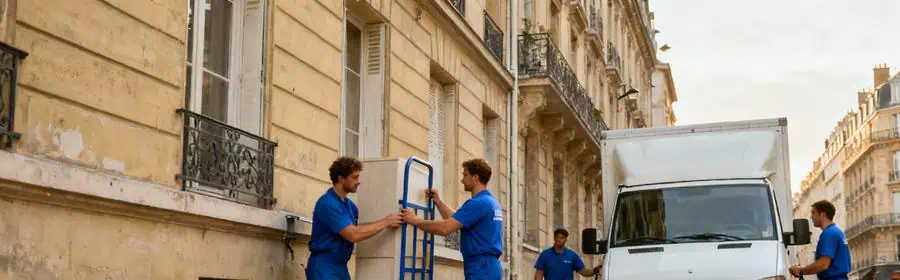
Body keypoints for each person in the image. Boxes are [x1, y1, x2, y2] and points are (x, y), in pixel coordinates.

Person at [401, 158, 503, 280]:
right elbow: (456, 220)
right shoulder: (491, 202)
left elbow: (445, 228)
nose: (462, 180)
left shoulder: (478, 203)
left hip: (481, 267)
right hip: (489, 267)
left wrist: (415, 220)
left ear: (475, 177)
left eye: (465, 175)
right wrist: (438, 202)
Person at [306, 157, 404, 280]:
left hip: (340, 266)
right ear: (341, 179)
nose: (358, 182)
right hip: (324, 266)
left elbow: (364, 228)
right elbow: (353, 234)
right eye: (354, 177)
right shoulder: (328, 203)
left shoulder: (349, 205)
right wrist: (386, 222)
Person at [789, 200, 851, 280]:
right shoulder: (836, 231)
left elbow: (823, 264)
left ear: (823, 215)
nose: (811, 217)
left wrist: (801, 270)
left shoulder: (829, 234)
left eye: (813, 213)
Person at [534, 229, 602, 280]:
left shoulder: (572, 255)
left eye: (562, 238)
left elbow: (584, 271)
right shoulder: (545, 255)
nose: (559, 240)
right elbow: (539, 275)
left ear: (566, 239)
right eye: (558, 237)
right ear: (554, 238)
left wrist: (594, 270)